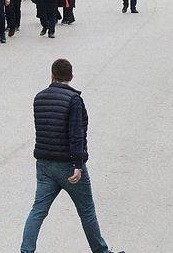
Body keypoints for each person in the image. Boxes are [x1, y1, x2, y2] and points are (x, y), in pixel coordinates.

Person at [21, 59, 124, 253]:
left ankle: (26, 251)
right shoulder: (74, 100)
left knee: (38, 210)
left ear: (52, 75)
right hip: (68, 166)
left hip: (44, 164)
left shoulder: (39, 97)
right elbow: (76, 134)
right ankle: (102, 252)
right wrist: (78, 164)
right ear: (71, 77)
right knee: (86, 211)